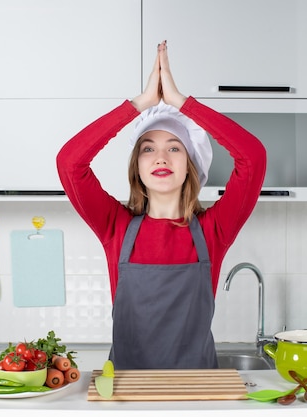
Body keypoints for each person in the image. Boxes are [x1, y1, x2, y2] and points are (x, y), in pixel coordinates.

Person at [56, 41, 266, 369]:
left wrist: (182, 104)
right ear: (137, 167)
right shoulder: (116, 227)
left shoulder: (214, 230)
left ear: (190, 165)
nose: (161, 158)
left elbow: (253, 157)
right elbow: (70, 162)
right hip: (128, 390)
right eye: (148, 149)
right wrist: (139, 105)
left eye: (174, 148)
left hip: (197, 392)